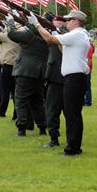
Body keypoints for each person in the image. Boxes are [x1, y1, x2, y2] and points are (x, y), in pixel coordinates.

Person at [31, 10, 90, 156]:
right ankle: (74, 146)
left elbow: (50, 40)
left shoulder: (77, 34)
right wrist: (58, 38)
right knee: (73, 114)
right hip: (74, 78)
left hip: (74, 78)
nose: (67, 22)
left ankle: (72, 149)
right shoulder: (80, 35)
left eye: (69, 20)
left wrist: (37, 25)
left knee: (72, 115)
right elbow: (65, 51)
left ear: (76, 21)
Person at [6, 14, 48, 137]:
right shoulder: (45, 35)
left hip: (25, 71)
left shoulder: (31, 34)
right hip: (39, 73)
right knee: (38, 101)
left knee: (21, 100)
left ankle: (22, 128)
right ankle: (42, 127)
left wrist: (10, 22)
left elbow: (12, 34)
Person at [0, 14, 19, 119]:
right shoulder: (19, 35)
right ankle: (16, 114)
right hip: (16, 66)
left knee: (4, 91)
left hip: (7, 66)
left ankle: (1, 111)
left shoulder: (8, 36)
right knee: (15, 92)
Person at [43, 15, 67, 148]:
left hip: (63, 76)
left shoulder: (66, 35)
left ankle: (69, 138)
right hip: (53, 76)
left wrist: (55, 33)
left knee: (64, 110)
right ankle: (54, 137)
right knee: (51, 110)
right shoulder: (53, 33)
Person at [84, 39, 95, 106]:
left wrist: (87, 69)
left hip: (86, 70)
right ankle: (84, 100)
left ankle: (88, 101)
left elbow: (89, 59)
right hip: (82, 70)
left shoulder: (89, 48)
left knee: (87, 86)